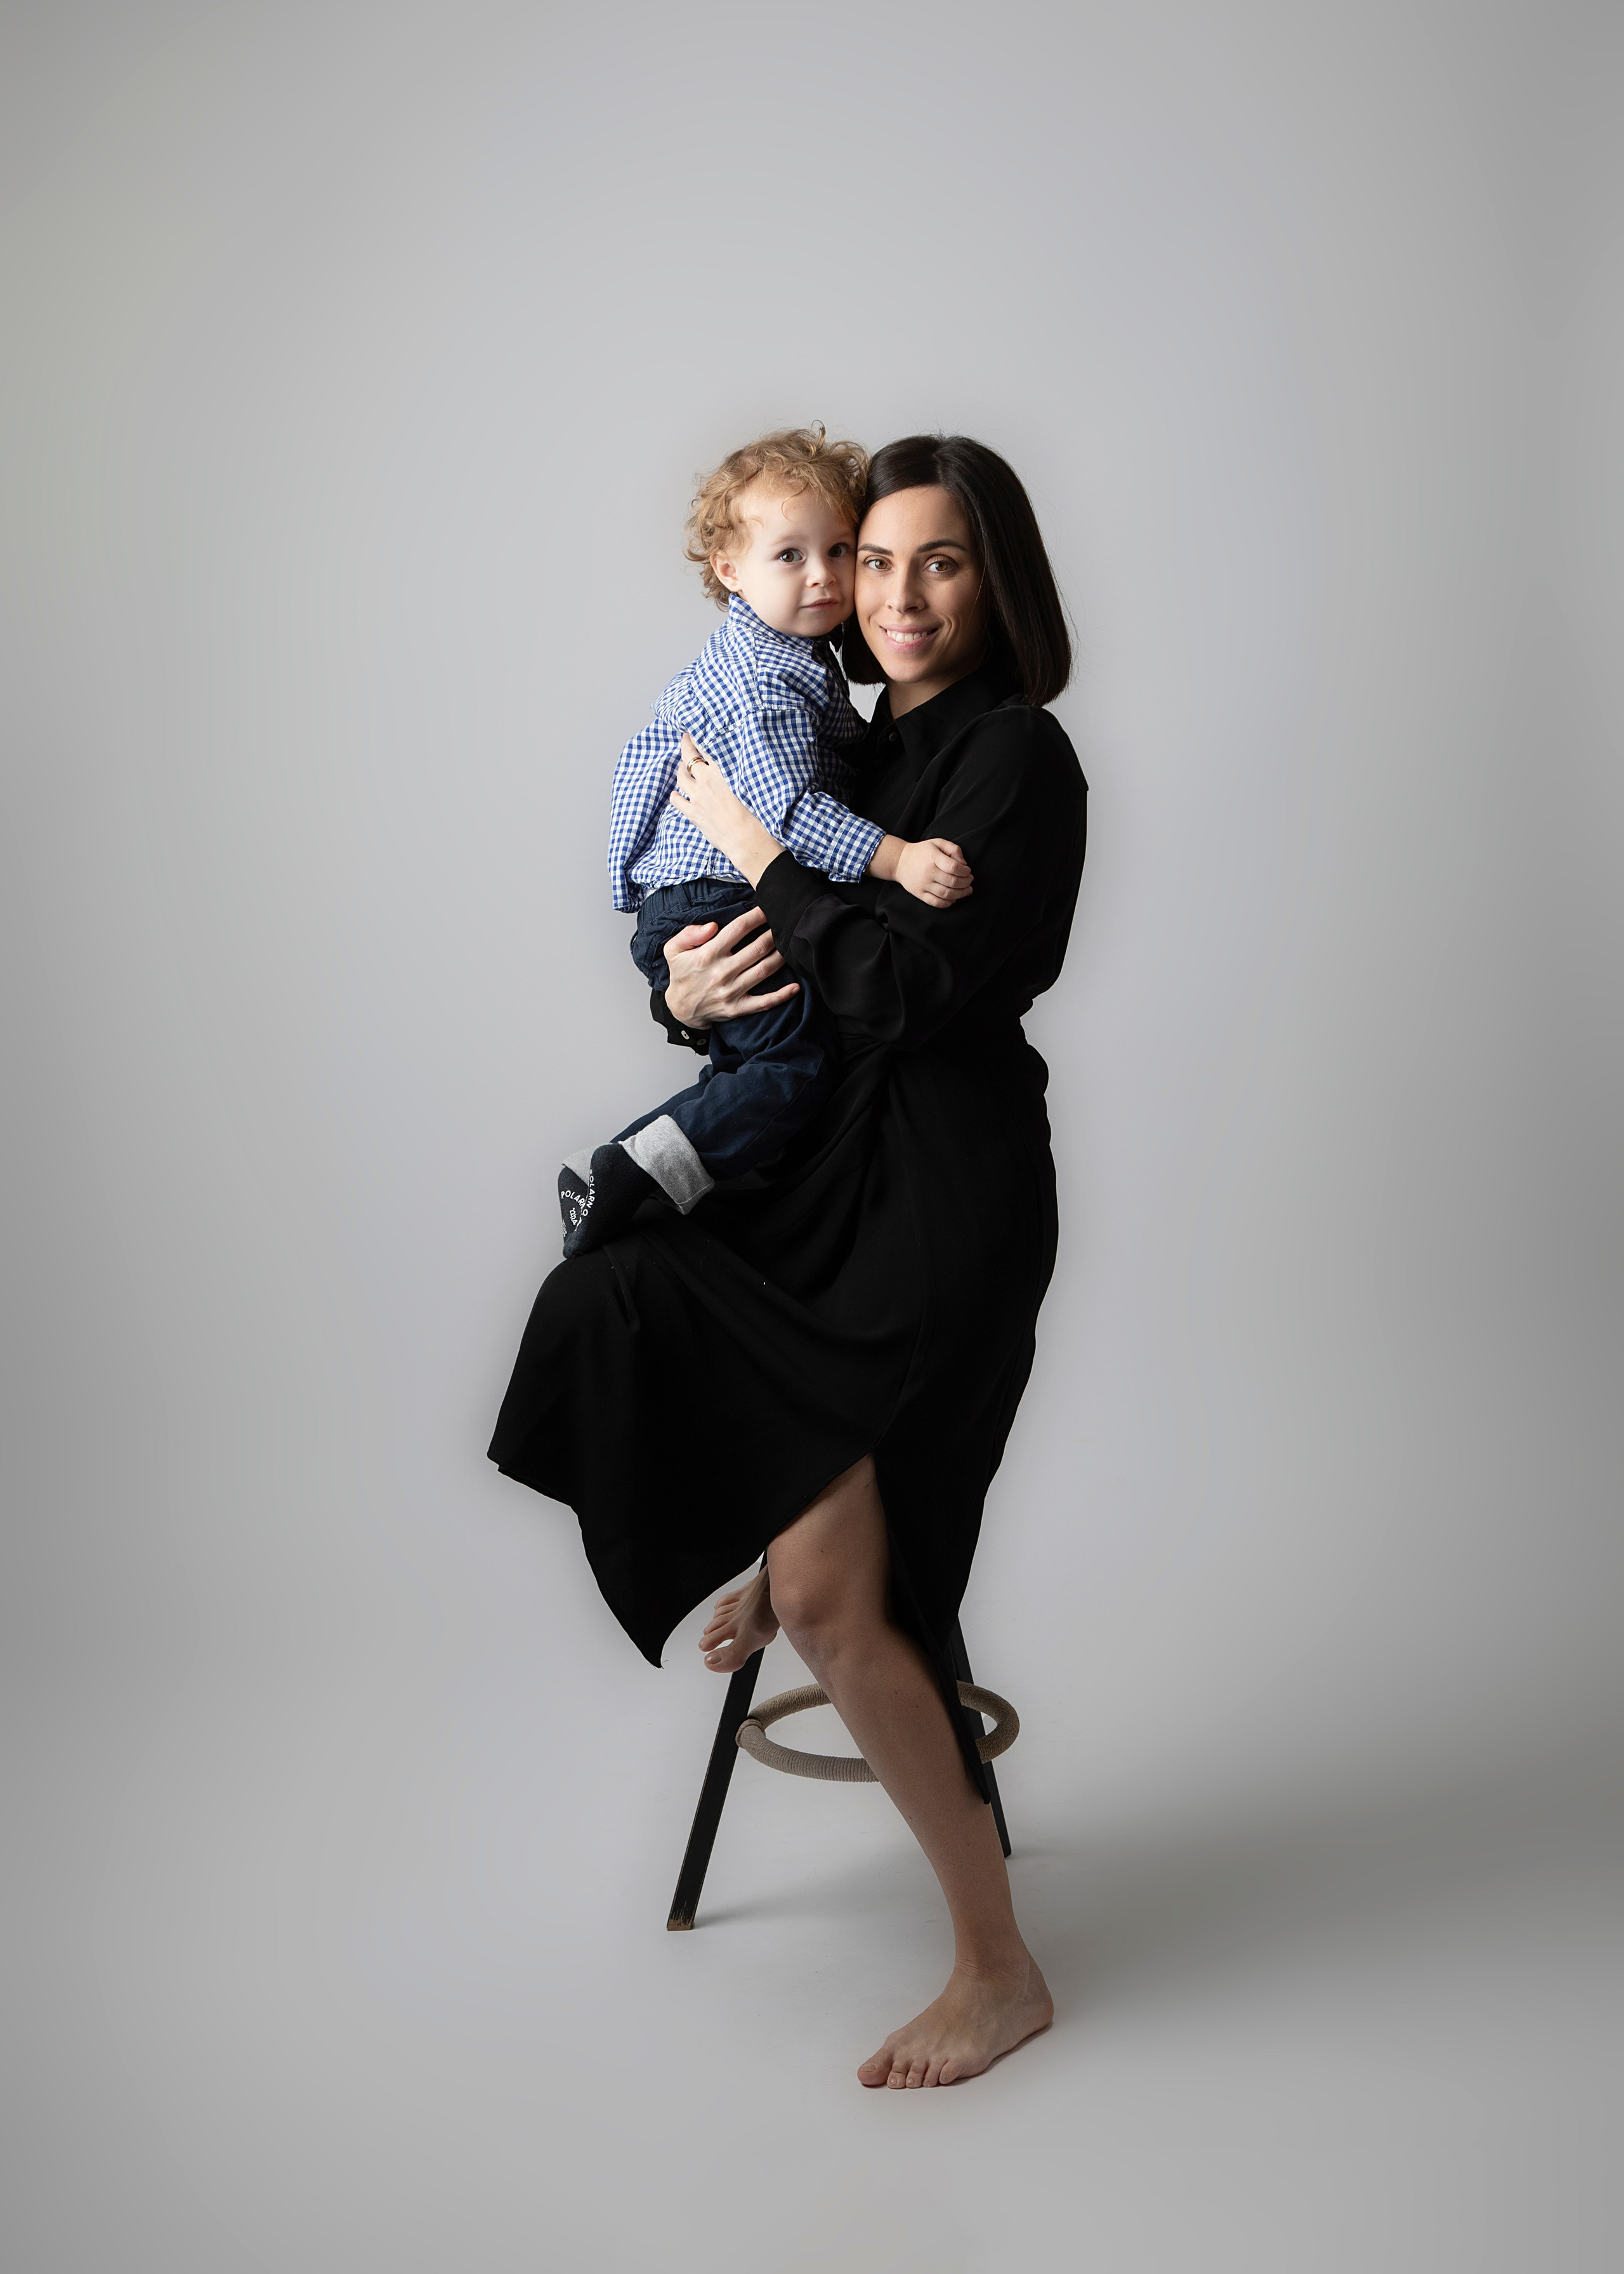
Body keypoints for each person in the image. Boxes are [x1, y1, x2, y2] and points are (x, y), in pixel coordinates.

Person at [491, 433, 1087, 2088]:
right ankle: (771, 1507)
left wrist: (763, 856)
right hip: (823, 1176)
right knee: (615, 1284)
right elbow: (761, 969)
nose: (892, 594)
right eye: (873, 562)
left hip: (939, 1196)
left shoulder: (1014, 762)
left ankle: (997, 1967)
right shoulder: (845, 734)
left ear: (998, 580)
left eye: (939, 562)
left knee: (855, 1592)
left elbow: (896, 995)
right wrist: (682, 995)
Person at [560, 424, 974, 1258]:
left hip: (703, 896)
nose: (824, 576)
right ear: (730, 570)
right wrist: (899, 857)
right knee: (792, 1074)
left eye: (839, 550)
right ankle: (621, 1172)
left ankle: (629, 1185)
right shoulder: (766, 681)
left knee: (758, 1077)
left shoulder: (793, 656)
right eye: (791, 555)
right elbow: (789, 820)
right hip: (716, 896)